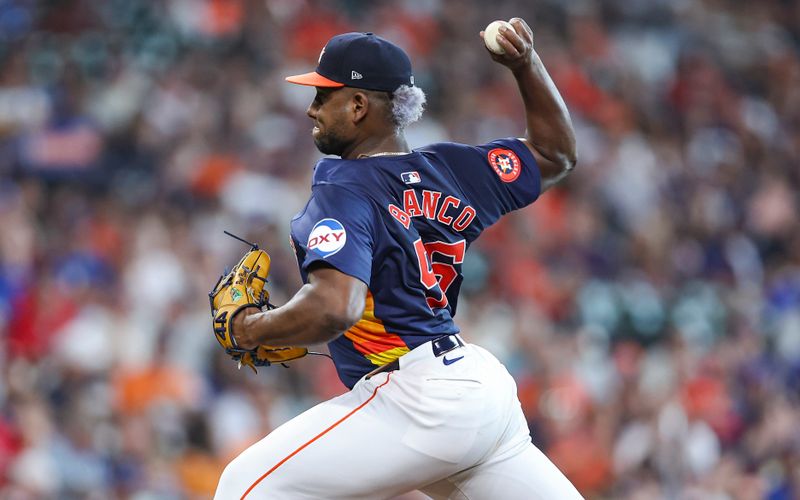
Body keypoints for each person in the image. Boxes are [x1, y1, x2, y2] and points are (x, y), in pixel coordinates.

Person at [214, 17, 583, 499]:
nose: (311, 109)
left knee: (244, 487)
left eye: (323, 96)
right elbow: (556, 155)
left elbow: (333, 308)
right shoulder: (451, 168)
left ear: (359, 104)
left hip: (417, 398)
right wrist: (526, 64)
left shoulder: (343, 187)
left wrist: (247, 329)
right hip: (478, 390)